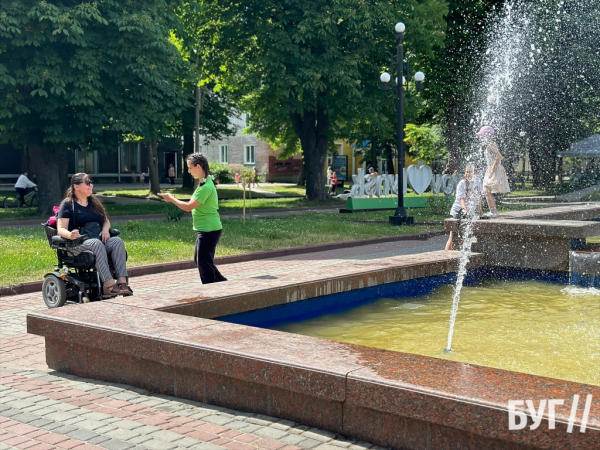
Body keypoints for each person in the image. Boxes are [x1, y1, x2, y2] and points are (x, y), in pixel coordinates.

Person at [56, 173, 132, 296]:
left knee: (117, 241)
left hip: (96, 241)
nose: (91, 185)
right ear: (76, 186)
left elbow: (105, 220)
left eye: (91, 182)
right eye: (87, 182)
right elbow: (60, 229)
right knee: (96, 243)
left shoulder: (93, 202)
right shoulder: (68, 204)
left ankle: (122, 282)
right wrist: (70, 234)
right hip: (77, 244)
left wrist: (105, 230)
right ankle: (108, 285)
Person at [158, 154, 227, 284]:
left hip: (209, 229)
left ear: (198, 167)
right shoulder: (205, 182)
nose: (189, 171)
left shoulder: (205, 187)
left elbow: (188, 207)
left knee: (203, 261)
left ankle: (211, 288)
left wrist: (171, 198)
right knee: (202, 259)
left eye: (190, 168)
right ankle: (221, 282)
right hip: (207, 228)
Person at [445, 165, 483, 251]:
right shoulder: (462, 183)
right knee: (453, 235)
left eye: (470, 172)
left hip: (469, 213)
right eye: (467, 172)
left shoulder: (477, 182)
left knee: (468, 234)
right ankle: (446, 253)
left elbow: (479, 197)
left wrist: (481, 212)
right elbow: (462, 200)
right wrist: (465, 210)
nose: (468, 174)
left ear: (475, 173)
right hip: (458, 212)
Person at [477, 126, 510, 217]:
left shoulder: (490, 145)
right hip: (492, 168)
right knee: (486, 189)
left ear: (487, 135)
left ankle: (493, 211)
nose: (481, 138)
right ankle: (493, 210)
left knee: (486, 189)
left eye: (482, 135)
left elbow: (499, 157)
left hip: (494, 169)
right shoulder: (490, 145)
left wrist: (492, 170)